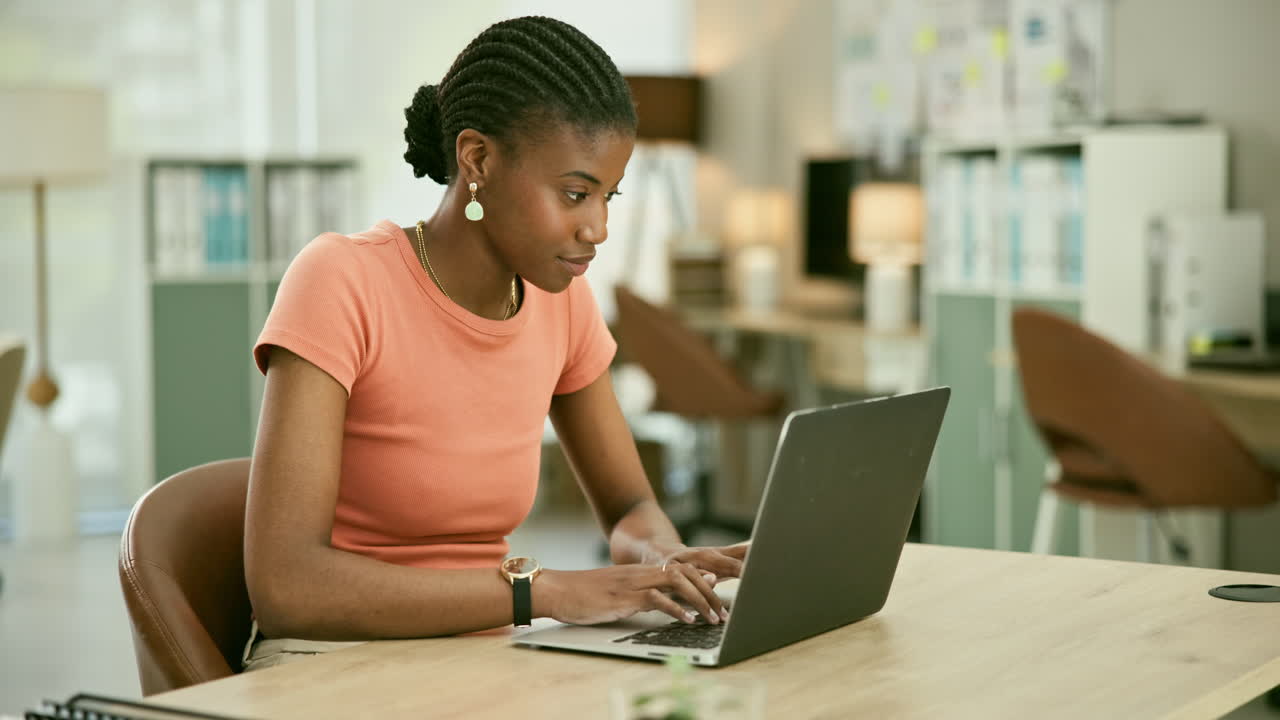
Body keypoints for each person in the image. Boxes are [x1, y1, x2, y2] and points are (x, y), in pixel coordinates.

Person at [242, 16, 747, 670]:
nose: (597, 228)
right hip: (331, 660)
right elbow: (287, 588)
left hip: (486, 659)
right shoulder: (341, 281)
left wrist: (660, 558)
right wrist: (545, 593)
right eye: (574, 193)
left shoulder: (563, 304)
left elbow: (630, 507)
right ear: (477, 159)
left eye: (607, 196)